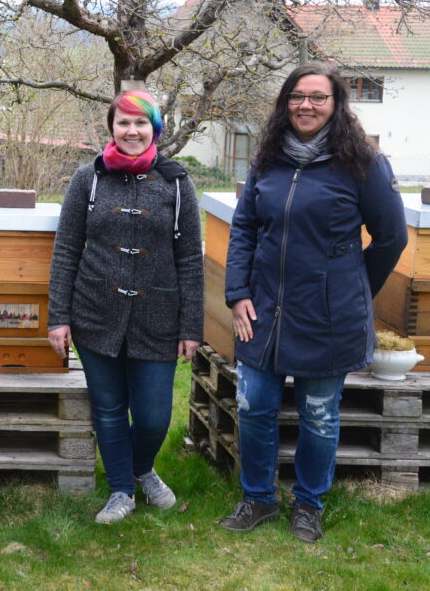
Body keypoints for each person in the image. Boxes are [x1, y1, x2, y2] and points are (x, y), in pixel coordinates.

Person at [218, 62, 407, 543]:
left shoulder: (363, 163)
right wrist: (237, 293)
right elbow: (244, 229)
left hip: (329, 317)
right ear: (286, 103)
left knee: (319, 414)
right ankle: (257, 498)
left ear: (336, 105)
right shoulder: (267, 159)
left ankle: (308, 504)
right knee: (254, 405)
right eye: (297, 96)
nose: (306, 105)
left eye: (318, 97)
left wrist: (351, 286)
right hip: (262, 309)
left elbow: (391, 237)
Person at [47, 89, 204, 525]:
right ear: (111, 127)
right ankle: (121, 491)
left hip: (158, 318)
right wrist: (58, 316)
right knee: (110, 409)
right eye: (123, 122)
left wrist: (191, 325)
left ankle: (142, 468)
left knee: (154, 416)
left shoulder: (176, 182)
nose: (131, 131)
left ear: (154, 129)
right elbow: (65, 251)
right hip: (95, 313)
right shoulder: (88, 179)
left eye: (140, 123)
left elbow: (191, 258)